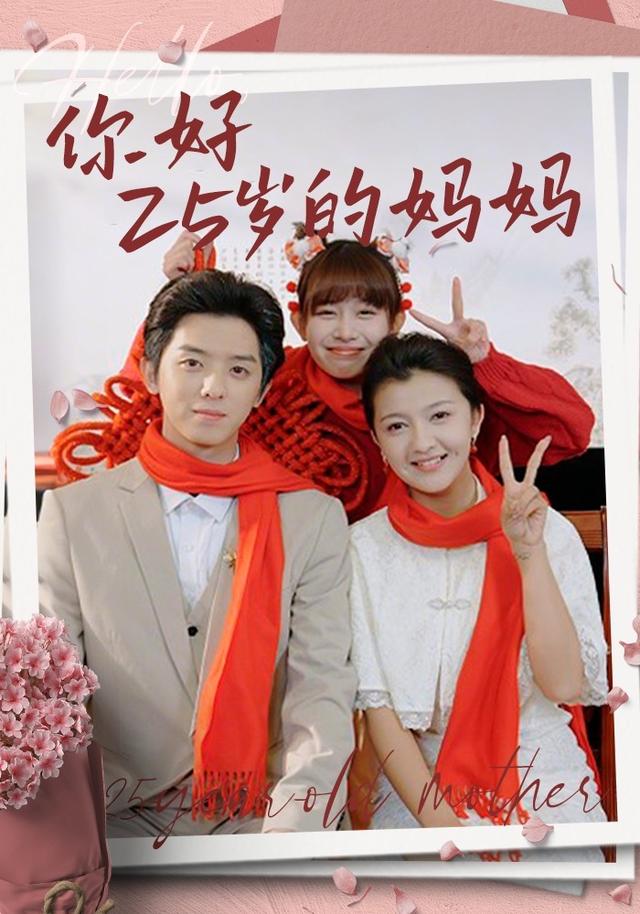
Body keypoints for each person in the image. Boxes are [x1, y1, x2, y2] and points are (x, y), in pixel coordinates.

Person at [36, 270, 357, 838]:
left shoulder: (311, 518)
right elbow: (50, 696)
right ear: (150, 371)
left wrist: (289, 838)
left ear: (262, 390)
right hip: (113, 825)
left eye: (239, 370)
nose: (213, 387)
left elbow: (320, 690)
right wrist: (77, 841)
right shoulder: (73, 514)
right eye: (192, 363)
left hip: (264, 817)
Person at [53, 230, 595, 526]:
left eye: (366, 313)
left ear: (395, 321)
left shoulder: (427, 385)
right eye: (328, 313)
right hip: (284, 582)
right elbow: (153, 411)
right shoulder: (267, 379)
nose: (345, 332)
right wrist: (183, 299)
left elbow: (568, 430)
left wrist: (483, 361)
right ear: (299, 321)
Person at [349, 332, 608, 861]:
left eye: (440, 416)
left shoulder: (545, 529)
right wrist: (450, 833)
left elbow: (563, 684)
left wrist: (528, 555)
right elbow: (381, 713)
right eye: (397, 426)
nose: (422, 442)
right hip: (417, 788)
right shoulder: (362, 548)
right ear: (376, 440)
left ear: (475, 419)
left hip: (541, 772)